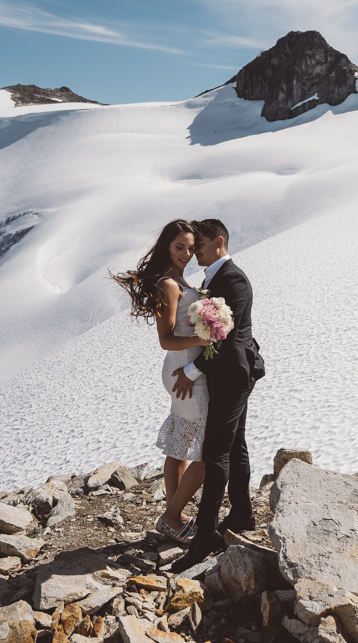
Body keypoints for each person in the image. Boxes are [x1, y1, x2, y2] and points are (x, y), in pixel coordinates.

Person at [168, 219, 265, 569]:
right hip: (225, 374)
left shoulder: (233, 280)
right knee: (234, 444)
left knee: (215, 454)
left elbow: (224, 338)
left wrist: (191, 372)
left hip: (233, 375)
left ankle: (204, 539)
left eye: (201, 247)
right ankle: (241, 514)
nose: (195, 254)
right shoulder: (213, 278)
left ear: (219, 242)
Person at [112, 219, 210, 544]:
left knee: (180, 445)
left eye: (190, 248)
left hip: (184, 370)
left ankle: (174, 515)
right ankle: (171, 515)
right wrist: (204, 338)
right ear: (167, 246)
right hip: (184, 371)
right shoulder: (170, 284)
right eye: (179, 246)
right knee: (209, 450)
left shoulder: (180, 280)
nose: (185, 253)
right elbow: (166, 339)